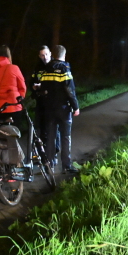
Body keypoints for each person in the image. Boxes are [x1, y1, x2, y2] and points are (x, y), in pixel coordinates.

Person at [41, 45, 80, 173]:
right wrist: (75, 106)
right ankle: (66, 165)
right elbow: (70, 90)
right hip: (63, 108)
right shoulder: (64, 68)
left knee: (51, 136)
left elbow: (43, 87)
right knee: (65, 137)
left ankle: (49, 164)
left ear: (53, 54)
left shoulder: (46, 68)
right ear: (64, 54)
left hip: (49, 108)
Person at [0, 45, 27, 125]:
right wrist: (20, 98)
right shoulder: (14, 68)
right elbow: (22, 87)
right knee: (14, 133)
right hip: (14, 106)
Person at [31, 45, 59, 154]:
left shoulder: (56, 66)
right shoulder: (37, 67)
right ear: (39, 56)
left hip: (52, 102)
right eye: (42, 55)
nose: (45, 57)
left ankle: (55, 151)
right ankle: (43, 152)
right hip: (41, 101)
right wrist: (34, 88)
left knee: (53, 127)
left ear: (50, 54)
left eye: (46, 54)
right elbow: (32, 81)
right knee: (41, 127)